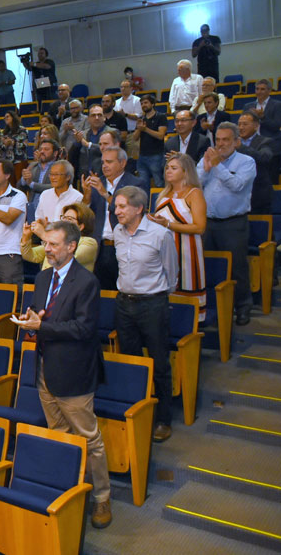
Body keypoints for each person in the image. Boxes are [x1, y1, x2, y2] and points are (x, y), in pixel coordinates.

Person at [10, 220, 111, 529]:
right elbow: (43, 314)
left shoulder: (87, 282)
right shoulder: (42, 278)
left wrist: (43, 326)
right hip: (44, 369)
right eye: (47, 243)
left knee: (89, 438)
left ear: (72, 247)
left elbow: (84, 329)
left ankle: (102, 497)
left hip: (75, 372)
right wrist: (33, 319)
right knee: (59, 432)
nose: (47, 249)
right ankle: (70, 487)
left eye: (53, 244)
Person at [112, 186, 178, 442]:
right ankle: (137, 413)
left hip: (153, 304)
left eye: (122, 207)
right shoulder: (117, 232)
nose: (116, 211)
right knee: (130, 362)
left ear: (139, 208)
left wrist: (155, 293)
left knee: (159, 363)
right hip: (124, 304)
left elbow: (171, 274)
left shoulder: (160, 235)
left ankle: (163, 418)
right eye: (116, 206)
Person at [197, 123, 256, 325]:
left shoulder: (246, 162)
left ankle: (242, 307)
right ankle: (213, 308)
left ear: (236, 142)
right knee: (208, 266)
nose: (221, 144)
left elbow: (237, 185)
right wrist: (206, 169)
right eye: (218, 140)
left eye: (226, 140)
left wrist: (216, 166)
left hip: (233, 223)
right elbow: (194, 184)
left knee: (237, 267)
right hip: (208, 223)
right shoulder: (208, 159)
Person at [80, 146, 148, 288]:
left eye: (109, 162)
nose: (104, 166)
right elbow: (86, 216)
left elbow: (134, 213)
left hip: (123, 245)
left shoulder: (136, 183)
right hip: (98, 246)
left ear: (122, 163)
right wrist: (86, 198)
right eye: (103, 162)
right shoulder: (96, 182)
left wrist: (105, 194)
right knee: (99, 292)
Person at [151, 154, 208, 319]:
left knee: (185, 284)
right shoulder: (163, 194)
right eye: (167, 167)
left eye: (174, 168)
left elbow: (200, 227)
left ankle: (189, 322)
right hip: (164, 250)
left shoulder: (194, 193)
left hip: (187, 250)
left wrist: (167, 225)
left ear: (185, 172)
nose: (168, 171)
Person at [22, 201, 99, 272]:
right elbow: (31, 255)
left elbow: (65, 258)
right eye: (63, 218)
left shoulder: (89, 243)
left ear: (80, 226)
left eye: (69, 219)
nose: (64, 222)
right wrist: (26, 237)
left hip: (72, 286)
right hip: (50, 282)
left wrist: (45, 235)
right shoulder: (58, 240)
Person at [237, 111, 276, 214]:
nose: (241, 127)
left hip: (258, 197)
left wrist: (242, 147)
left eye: (245, 124)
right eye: (239, 124)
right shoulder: (233, 143)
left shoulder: (266, 141)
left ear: (256, 126)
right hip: (236, 197)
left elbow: (264, 158)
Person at [131, 93, 168, 188]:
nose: (144, 105)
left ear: (152, 104)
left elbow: (160, 135)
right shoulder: (141, 119)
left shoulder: (160, 117)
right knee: (143, 184)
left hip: (156, 155)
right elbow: (135, 138)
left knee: (159, 182)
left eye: (146, 103)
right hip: (142, 156)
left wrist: (145, 129)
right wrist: (139, 129)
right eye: (142, 103)